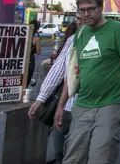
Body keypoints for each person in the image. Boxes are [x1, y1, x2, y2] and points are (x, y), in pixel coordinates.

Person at [55, 0, 120, 164]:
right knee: (73, 158)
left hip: (110, 105)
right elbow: (73, 73)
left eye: (91, 9)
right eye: (82, 10)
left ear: (101, 8)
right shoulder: (80, 34)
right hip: (82, 105)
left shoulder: (118, 30)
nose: (86, 14)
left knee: (100, 158)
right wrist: (61, 105)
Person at [28, 13, 82, 164]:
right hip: (67, 105)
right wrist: (40, 99)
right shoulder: (72, 40)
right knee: (57, 146)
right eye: (77, 18)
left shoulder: (103, 39)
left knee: (77, 151)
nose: (80, 21)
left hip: (90, 107)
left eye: (85, 14)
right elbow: (59, 70)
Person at [27, 19, 42, 85]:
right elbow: (38, 52)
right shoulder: (36, 39)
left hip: (21, 60)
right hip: (30, 61)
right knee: (27, 82)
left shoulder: (24, 35)